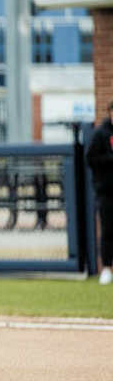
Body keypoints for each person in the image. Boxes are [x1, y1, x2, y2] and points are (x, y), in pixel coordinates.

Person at [86, 101, 113, 285]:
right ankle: (106, 268)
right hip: (106, 192)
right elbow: (91, 159)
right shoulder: (101, 134)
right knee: (107, 230)